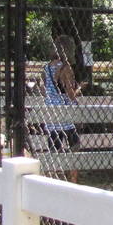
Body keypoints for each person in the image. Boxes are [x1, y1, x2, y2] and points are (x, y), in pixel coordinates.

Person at [41, 35, 82, 181]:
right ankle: (73, 181)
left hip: (50, 110)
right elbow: (70, 93)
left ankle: (53, 179)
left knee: (54, 147)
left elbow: (44, 89)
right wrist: (80, 88)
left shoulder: (46, 67)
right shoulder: (65, 68)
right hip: (64, 111)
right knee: (74, 146)